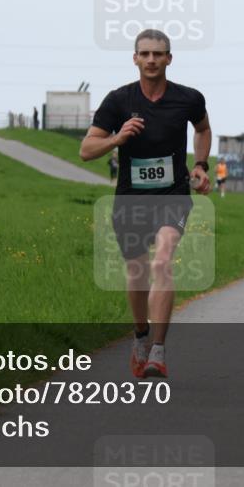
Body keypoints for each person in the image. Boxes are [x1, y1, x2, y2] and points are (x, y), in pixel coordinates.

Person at [80, 29, 211, 379]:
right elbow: (86, 150)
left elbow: (202, 129)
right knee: (137, 272)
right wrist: (118, 137)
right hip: (131, 199)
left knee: (162, 262)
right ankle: (140, 334)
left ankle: (158, 349)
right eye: (145, 54)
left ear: (169, 58)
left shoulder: (188, 98)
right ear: (135, 58)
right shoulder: (118, 101)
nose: (152, 60)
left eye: (159, 54)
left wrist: (200, 165)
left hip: (173, 195)